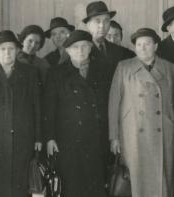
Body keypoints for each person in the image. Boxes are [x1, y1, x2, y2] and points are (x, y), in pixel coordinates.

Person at [0, 30, 42, 197]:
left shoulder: (30, 73)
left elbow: (37, 107)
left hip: (21, 140)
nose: (7, 53)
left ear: (18, 50)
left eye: (11, 48)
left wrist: (38, 137)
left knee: (18, 185)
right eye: (2, 49)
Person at [109, 28, 174, 197]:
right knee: (137, 181)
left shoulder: (169, 68)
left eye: (147, 44)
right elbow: (114, 103)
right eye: (139, 45)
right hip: (133, 135)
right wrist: (114, 137)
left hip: (164, 133)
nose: (143, 48)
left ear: (156, 46)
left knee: (162, 182)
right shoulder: (124, 67)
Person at [44, 30, 107, 197]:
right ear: (68, 50)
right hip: (68, 139)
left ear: (91, 48)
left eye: (85, 46)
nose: (80, 50)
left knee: (94, 186)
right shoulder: (56, 74)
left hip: (96, 138)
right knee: (71, 186)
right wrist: (50, 137)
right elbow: (49, 108)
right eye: (75, 47)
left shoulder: (103, 71)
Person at [83, 1, 135, 183]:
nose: (102, 26)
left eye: (106, 21)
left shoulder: (121, 53)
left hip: (114, 122)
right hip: (87, 124)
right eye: (97, 21)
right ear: (87, 24)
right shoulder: (78, 49)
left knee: (112, 174)